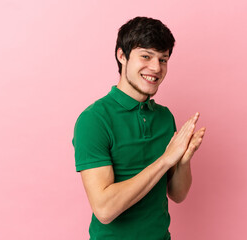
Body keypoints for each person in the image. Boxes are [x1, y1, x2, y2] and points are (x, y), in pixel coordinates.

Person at [72, 16, 206, 240]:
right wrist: (165, 159)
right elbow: (104, 210)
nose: (156, 67)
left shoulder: (164, 117)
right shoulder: (93, 120)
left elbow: (178, 194)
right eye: (146, 56)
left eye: (163, 59)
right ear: (121, 55)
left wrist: (182, 160)